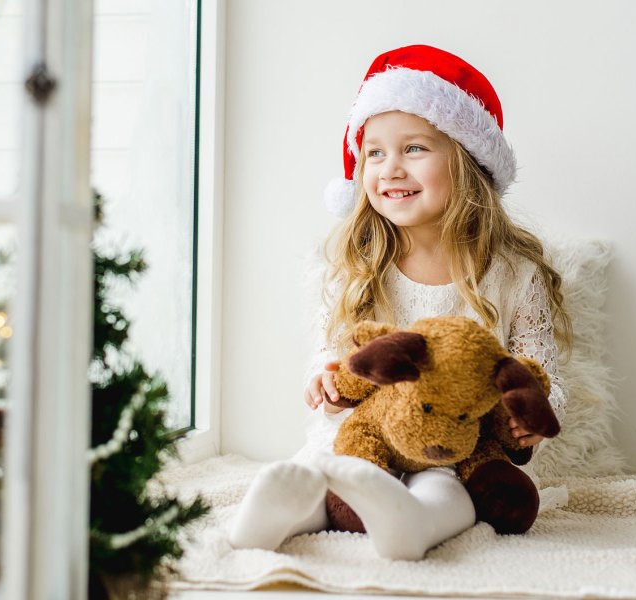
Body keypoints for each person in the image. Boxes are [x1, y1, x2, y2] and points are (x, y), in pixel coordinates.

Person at [229, 44, 571, 560]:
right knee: (326, 478)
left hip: (457, 448)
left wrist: (525, 419)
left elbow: (541, 374)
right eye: (374, 152)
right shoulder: (356, 267)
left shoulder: (512, 275)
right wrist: (326, 383)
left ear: (468, 160)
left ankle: (410, 524)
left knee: (447, 492)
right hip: (366, 440)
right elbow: (332, 358)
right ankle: (278, 510)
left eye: (414, 148)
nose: (390, 168)